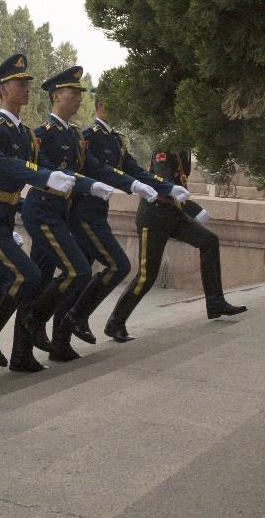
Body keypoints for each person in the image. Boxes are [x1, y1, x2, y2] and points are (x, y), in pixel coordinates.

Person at [0, 53, 75, 380]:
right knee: (24, 277)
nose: (26, 88)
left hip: (4, 217)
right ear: (4, 89)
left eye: (27, 83)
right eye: (20, 83)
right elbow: (3, 166)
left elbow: (36, 169)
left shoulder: (24, 134)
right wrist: (43, 178)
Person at [21, 66, 156, 362]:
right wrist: (92, 185)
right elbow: (51, 171)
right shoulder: (42, 135)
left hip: (63, 213)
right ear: (57, 96)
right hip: (45, 211)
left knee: (61, 277)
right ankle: (34, 328)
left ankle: (52, 341)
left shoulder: (75, 136)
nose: (79, 99)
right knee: (55, 277)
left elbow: (96, 168)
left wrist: (137, 184)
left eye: (81, 94)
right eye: (74, 93)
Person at [66, 88, 189, 342]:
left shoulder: (118, 140)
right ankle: (75, 316)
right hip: (83, 211)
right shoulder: (88, 136)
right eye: (114, 104)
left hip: (99, 212)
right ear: (100, 106)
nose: (121, 110)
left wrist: (166, 187)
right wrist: (131, 185)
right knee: (115, 265)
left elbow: (135, 169)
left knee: (82, 274)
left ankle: (63, 337)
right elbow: (98, 169)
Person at [105, 149, 246, 341]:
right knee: (147, 276)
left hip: (173, 216)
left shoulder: (184, 149)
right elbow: (164, 186)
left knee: (209, 241)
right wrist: (194, 210)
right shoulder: (164, 150)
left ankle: (216, 302)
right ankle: (115, 323)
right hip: (153, 219)